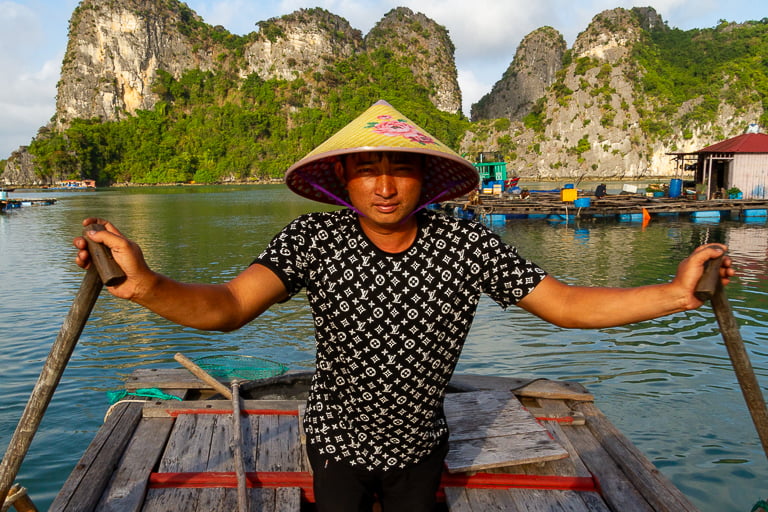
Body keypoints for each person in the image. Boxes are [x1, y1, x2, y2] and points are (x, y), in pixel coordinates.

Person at [74, 100, 733, 512]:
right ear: (342, 180)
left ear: (425, 177)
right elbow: (227, 306)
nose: (384, 186)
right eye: (366, 169)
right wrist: (143, 285)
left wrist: (675, 293)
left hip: (421, 443)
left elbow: (563, 303)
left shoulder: (463, 239)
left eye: (401, 168)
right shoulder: (314, 238)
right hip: (334, 439)